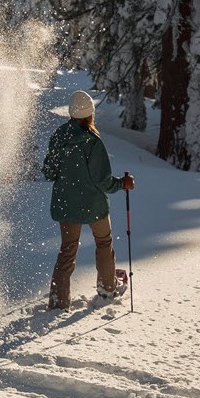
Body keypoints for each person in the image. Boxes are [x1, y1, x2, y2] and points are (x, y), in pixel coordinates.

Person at [41, 91, 134, 310]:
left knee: (68, 249)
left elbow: (49, 171)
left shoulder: (59, 137)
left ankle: (58, 301)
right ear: (90, 114)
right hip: (93, 203)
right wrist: (122, 184)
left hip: (67, 203)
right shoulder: (92, 142)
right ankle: (107, 288)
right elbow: (102, 181)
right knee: (103, 242)